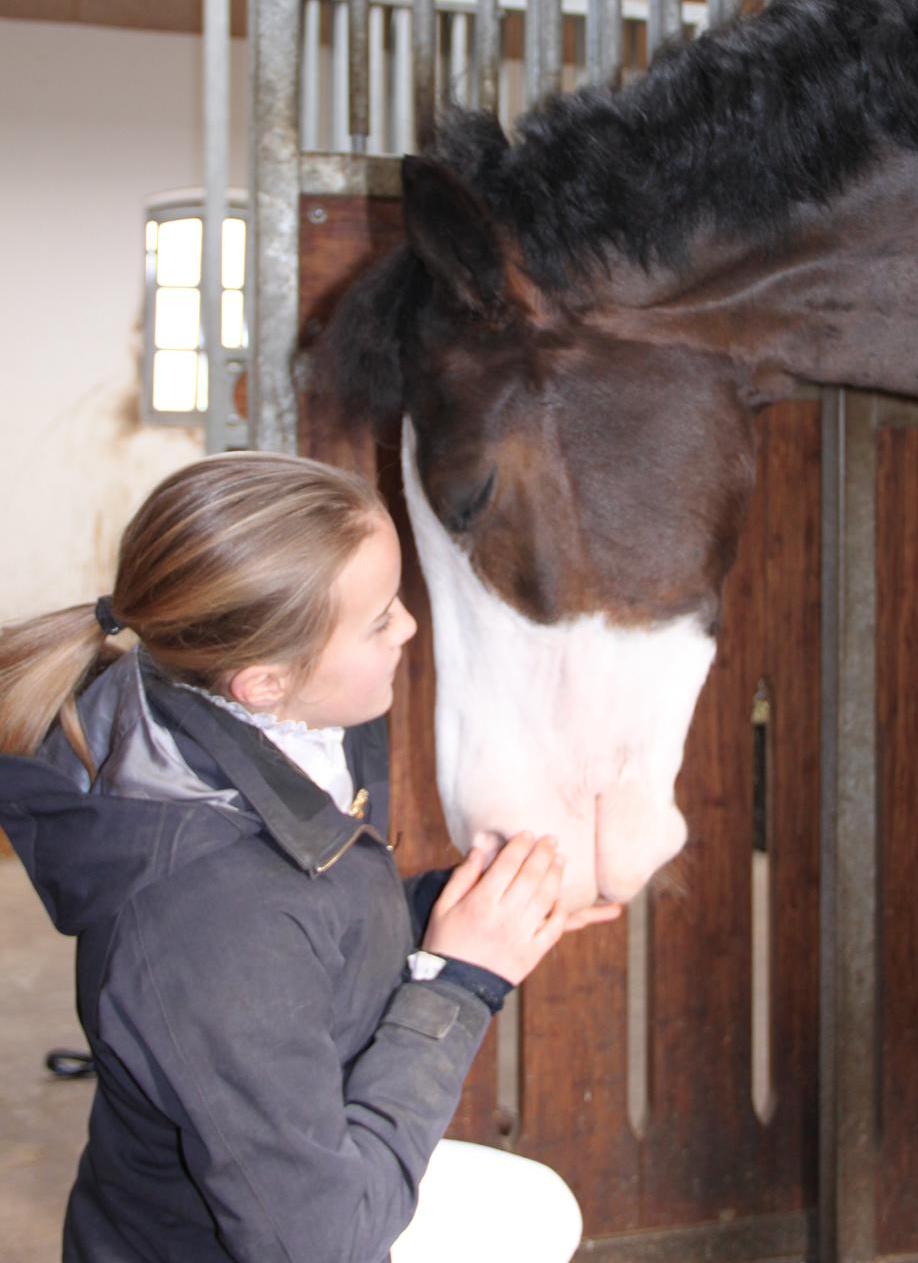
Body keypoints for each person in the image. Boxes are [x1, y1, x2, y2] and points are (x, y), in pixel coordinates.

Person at [0, 452, 619, 1263]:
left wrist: (453, 909)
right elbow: (317, 1242)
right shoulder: (207, 921)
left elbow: (302, 927)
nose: (408, 625)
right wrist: (462, 982)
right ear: (263, 681)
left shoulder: (244, 728)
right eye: (378, 618)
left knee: (532, 1206)